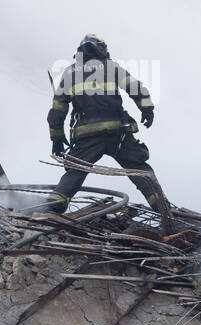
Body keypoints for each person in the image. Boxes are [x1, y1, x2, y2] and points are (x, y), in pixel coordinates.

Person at [45, 34, 163, 213]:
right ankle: (163, 208)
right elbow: (136, 87)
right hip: (118, 133)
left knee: (76, 170)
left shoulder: (70, 73)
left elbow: (57, 110)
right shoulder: (111, 67)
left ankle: (53, 206)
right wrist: (147, 109)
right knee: (139, 169)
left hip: (87, 135)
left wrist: (57, 138)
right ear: (102, 49)